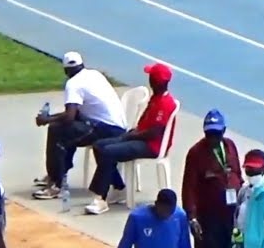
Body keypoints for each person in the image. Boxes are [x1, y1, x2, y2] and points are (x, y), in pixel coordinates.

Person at [84, 63, 179, 215]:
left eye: (150, 77)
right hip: (139, 138)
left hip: (151, 146)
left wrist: (131, 135)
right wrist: (131, 134)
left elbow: (154, 133)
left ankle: (100, 198)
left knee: (108, 152)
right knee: (99, 146)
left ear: (154, 81)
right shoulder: (156, 98)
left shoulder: (165, 104)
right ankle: (119, 187)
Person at [32, 52, 129, 200]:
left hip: (105, 129)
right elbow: (74, 115)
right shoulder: (94, 74)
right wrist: (53, 118)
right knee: (70, 131)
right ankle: (59, 173)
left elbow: (69, 116)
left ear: (65, 70)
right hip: (117, 126)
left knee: (57, 131)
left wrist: (47, 120)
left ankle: (57, 183)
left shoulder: (73, 84)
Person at [182, 109, 243, 248]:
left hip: (231, 213)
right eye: (209, 134)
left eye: (216, 134)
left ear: (224, 131)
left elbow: (237, 173)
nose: (212, 138)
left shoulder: (230, 146)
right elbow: (189, 188)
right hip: (209, 217)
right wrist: (192, 218)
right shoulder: (195, 153)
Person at [117, 188, 194, 248]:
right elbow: (125, 244)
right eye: (163, 210)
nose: (166, 214)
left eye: (170, 211)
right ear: (156, 204)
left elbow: (185, 244)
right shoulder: (137, 218)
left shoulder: (180, 216)